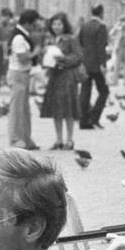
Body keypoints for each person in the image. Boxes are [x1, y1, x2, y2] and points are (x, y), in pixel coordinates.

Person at [39, 12, 82, 151]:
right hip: (54, 76)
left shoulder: (70, 39)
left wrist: (63, 59)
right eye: (54, 24)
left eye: (59, 24)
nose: (56, 27)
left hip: (67, 76)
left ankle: (69, 140)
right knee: (56, 109)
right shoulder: (50, 40)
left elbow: (78, 56)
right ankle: (58, 139)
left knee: (68, 108)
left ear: (65, 25)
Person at [7, 8, 41, 150]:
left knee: (25, 109)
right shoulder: (19, 37)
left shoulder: (23, 35)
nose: (35, 28)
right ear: (27, 23)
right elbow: (22, 57)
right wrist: (35, 53)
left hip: (24, 74)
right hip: (18, 74)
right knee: (17, 109)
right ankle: (16, 139)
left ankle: (26, 138)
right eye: (34, 25)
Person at [78, 4, 109, 130]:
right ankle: (94, 117)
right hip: (97, 64)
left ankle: (83, 120)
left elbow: (80, 42)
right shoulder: (101, 27)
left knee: (85, 91)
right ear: (101, 13)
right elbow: (101, 47)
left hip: (86, 63)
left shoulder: (84, 26)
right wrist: (103, 64)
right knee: (104, 91)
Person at [108, 15, 125, 85]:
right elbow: (110, 33)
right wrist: (116, 26)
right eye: (122, 21)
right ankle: (115, 81)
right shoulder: (118, 28)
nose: (123, 22)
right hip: (119, 48)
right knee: (117, 65)